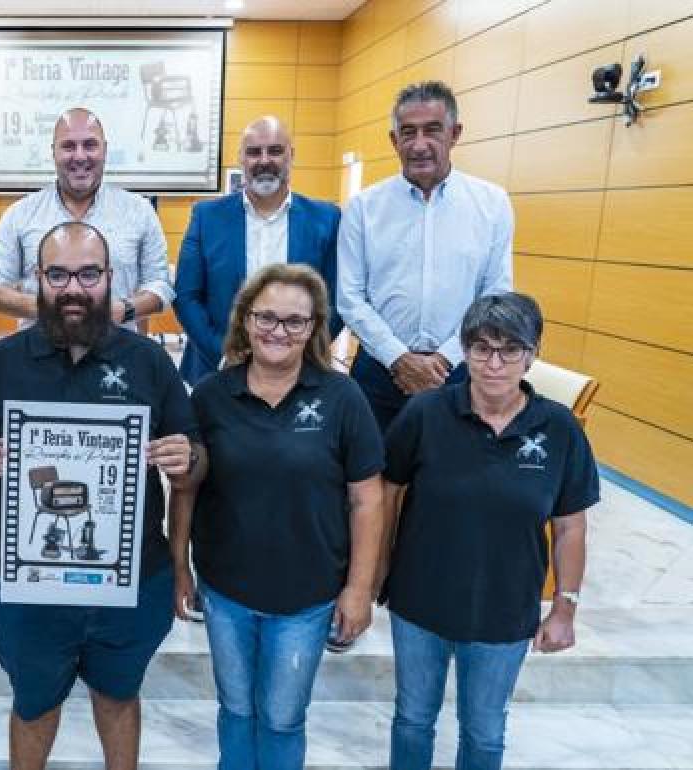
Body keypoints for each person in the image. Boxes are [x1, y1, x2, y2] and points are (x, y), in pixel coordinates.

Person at [0, 221, 204, 770]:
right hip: (27, 584)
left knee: (118, 697)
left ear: (111, 278)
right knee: (34, 704)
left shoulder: (149, 362)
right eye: (57, 274)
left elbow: (195, 463)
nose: (73, 288)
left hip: (133, 581)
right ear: (36, 280)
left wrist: (187, 460)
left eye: (89, 273)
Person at [169, 264, 385, 770]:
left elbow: (368, 500)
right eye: (266, 317)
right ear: (245, 320)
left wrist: (359, 589)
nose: (278, 331)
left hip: (307, 596)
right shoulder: (211, 396)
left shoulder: (342, 397)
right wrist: (180, 564)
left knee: (283, 717)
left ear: (314, 329)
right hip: (227, 591)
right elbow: (185, 490)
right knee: (237, 709)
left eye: (295, 321)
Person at [380, 292, 597, 770]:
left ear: (533, 353)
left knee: (484, 729)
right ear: (465, 350)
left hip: (505, 611)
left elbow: (570, 527)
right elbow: (386, 494)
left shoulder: (559, 429)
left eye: (510, 349)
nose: (494, 363)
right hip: (420, 603)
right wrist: (374, 574)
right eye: (481, 348)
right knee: (413, 718)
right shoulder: (424, 414)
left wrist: (565, 608)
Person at [337, 80, 513, 432]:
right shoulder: (363, 208)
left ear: (455, 133)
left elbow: (496, 297)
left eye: (432, 130)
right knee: (370, 478)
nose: (419, 145)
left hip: (461, 370)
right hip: (379, 373)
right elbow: (350, 298)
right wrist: (399, 358)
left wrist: (444, 360)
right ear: (394, 140)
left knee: (449, 481)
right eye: (408, 132)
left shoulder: (492, 204)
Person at [174, 116, 342, 385]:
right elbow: (186, 296)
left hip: (299, 375)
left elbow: (336, 301)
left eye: (275, 151)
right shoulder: (207, 217)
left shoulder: (326, 219)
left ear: (291, 155)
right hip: (216, 372)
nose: (264, 160)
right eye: (254, 152)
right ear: (241, 158)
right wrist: (223, 353)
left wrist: (301, 353)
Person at [0, 107, 173, 330]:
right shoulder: (19, 215)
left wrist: (125, 309)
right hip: (39, 358)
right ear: (53, 152)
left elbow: (161, 286)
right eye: (68, 146)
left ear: (105, 150)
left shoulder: (140, 212)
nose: (80, 156)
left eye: (90, 145)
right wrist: (53, 308)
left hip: (117, 356)